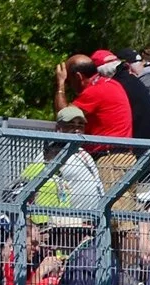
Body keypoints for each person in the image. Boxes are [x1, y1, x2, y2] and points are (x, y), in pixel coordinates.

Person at [54, 54, 134, 191]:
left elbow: (64, 115)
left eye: (69, 81)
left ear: (78, 77)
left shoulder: (94, 91)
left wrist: (60, 84)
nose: (70, 85)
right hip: (124, 158)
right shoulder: (111, 83)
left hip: (111, 161)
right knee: (123, 209)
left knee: (115, 209)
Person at [98, 48, 150, 143]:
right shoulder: (136, 82)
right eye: (138, 63)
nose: (142, 67)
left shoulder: (149, 82)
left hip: (146, 145)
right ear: (127, 66)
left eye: (141, 63)